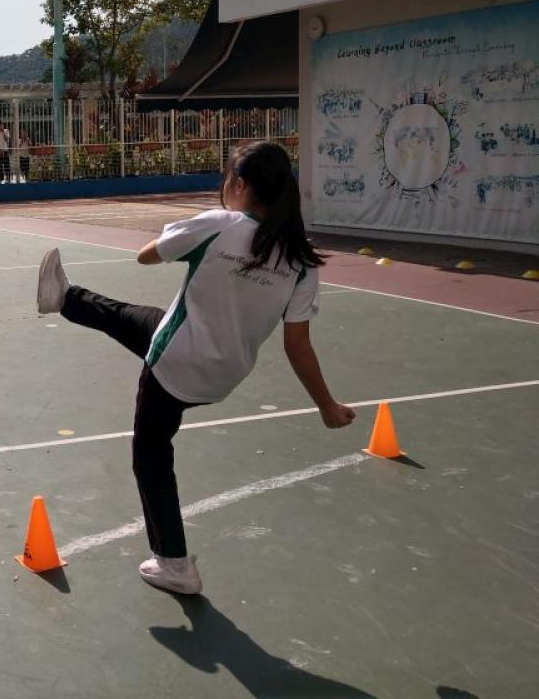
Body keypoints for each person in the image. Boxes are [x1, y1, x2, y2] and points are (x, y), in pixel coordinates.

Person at [35, 141, 355, 595]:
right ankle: (65, 298)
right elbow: (297, 344)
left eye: (227, 179)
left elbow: (146, 255)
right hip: (223, 373)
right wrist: (326, 405)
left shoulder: (219, 225)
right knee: (139, 318)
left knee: (150, 453)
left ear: (240, 184)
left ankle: (174, 563)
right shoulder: (301, 262)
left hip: (175, 363)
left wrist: (198, 235)